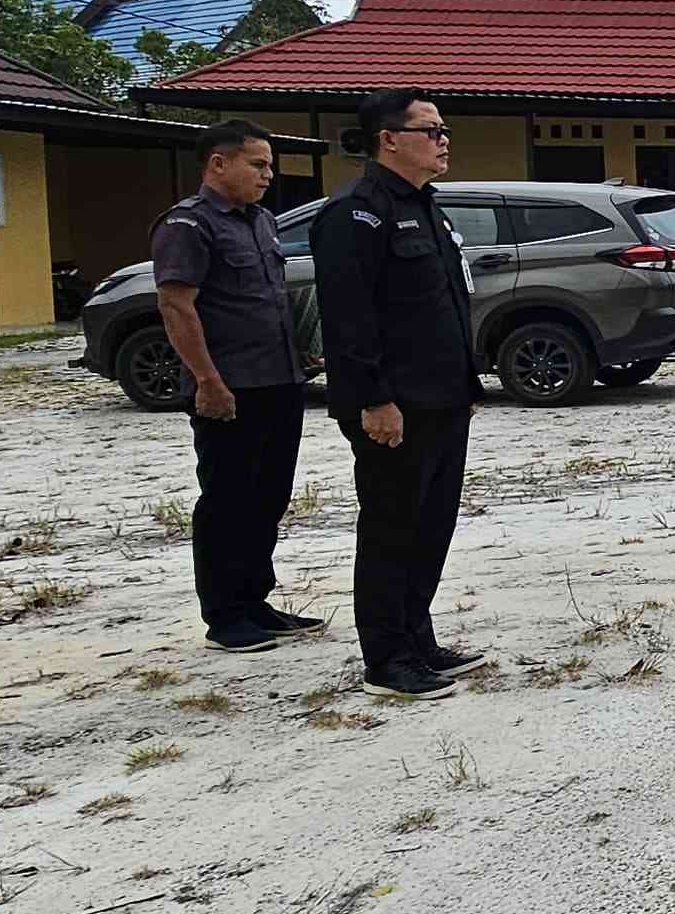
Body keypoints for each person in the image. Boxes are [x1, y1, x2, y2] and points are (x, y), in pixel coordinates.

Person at [310, 88, 482, 702]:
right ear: (390, 139)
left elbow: (443, 307)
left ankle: (418, 637)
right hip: (394, 406)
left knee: (430, 526)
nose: (443, 141)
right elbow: (350, 317)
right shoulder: (356, 213)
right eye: (431, 130)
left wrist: (465, 385)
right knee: (391, 528)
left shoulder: (427, 208)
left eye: (443, 130)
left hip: (441, 399)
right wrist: (373, 399)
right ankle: (386, 657)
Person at [151, 119, 323, 652]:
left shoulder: (263, 221)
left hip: (278, 380)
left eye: (270, 165)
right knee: (227, 500)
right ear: (218, 163)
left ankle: (255, 601)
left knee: (267, 497)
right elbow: (177, 306)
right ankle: (224, 615)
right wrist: (207, 379)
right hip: (228, 386)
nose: (268, 175)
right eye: (257, 164)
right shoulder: (188, 225)